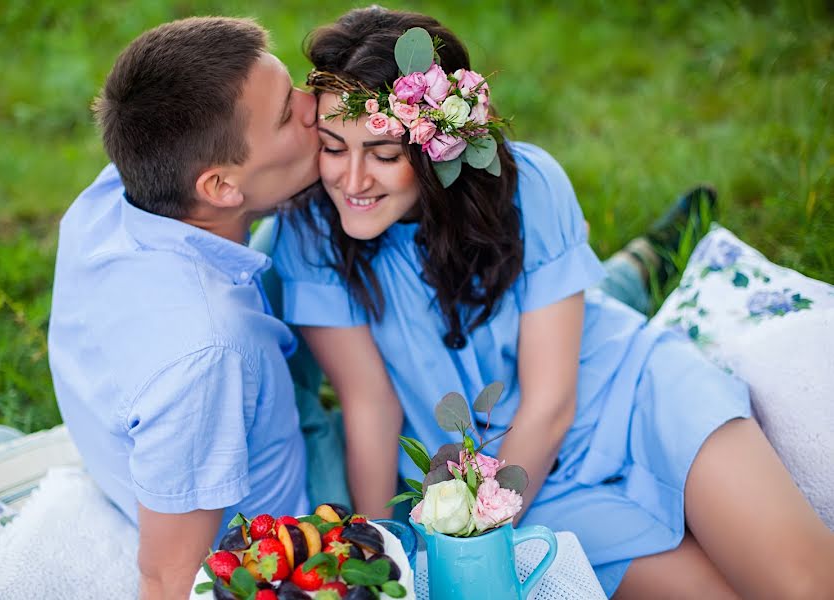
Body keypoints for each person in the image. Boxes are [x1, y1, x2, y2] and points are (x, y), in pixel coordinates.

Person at [272, 7, 834, 598]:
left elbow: (549, 402)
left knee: (804, 585)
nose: (353, 180)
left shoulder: (529, 186)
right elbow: (370, 406)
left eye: (384, 155)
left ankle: (652, 258)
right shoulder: (312, 233)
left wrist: (483, 526)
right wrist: (396, 559)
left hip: (632, 401)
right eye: (334, 148)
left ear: (437, 148)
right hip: (527, 491)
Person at [48, 17, 325, 598]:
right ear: (220, 187)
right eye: (285, 115)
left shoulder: (118, 192)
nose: (315, 104)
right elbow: (170, 574)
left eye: (293, 84)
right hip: (282, 542)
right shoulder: (207, 352)